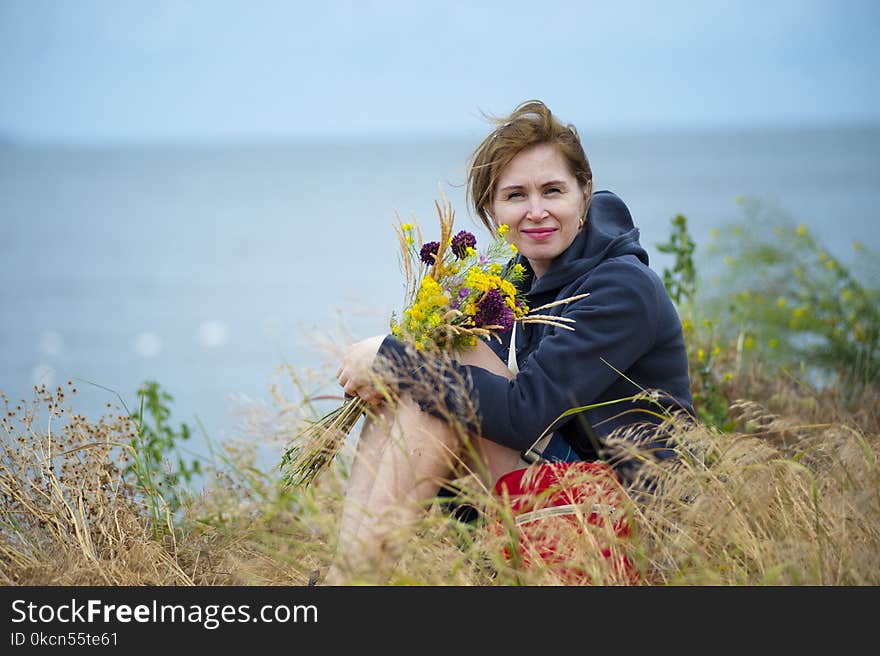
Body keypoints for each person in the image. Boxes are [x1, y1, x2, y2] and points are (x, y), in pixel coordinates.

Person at [325, 100, 693, 584]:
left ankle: (350, 583)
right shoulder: (516, 280)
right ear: (491, 209)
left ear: (584, 194)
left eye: (553, 190)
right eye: (516, 195)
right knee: (432, 374)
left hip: (628, 532)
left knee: (431, 383)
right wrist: (407, 360)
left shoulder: (622, 290)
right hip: (564, 493)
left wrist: (392, 356)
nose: (536, 211)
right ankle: (346, 575)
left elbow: (522, 413)